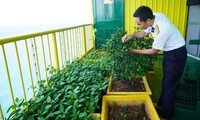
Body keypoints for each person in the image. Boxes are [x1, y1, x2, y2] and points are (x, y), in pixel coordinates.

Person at [122, 6, 187, 119]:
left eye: (139, 24)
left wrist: (134, 51)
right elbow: (144, 33)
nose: (138, 27)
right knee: (166, 79)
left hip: (176, 53)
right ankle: (161, 104)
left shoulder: (162, 29)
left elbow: (153, 51)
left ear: (148, 21)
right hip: (169, 52)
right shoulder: (154, 17)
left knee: (170, 85)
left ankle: (166, 114)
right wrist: (131, 35)